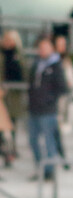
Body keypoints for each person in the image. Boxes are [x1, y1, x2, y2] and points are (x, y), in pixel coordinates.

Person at [27, 35, 68, 181]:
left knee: (49, 141)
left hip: (48, 111)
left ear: (51, 48)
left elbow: (62, 88)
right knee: (33, 140)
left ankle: (49, 171)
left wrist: (49, 100)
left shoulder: (56, 66)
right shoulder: (36, 65)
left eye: (45, 47)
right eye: (40, 47)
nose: (42, 50)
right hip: (34, 110)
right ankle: (40, 168)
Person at [0, 30, 25, 167]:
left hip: (14, 97)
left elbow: (23, 74)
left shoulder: (18, 56)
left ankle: (10, 152)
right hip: (1, 98)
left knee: (12, 125)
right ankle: (6, 153)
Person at [53, 35, 73, 169]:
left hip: (62, 101)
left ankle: (62, 158)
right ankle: (62, 159)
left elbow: (71, 80)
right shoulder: (49, 60)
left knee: (58, 131)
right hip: (50, 102)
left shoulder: (66, 62)